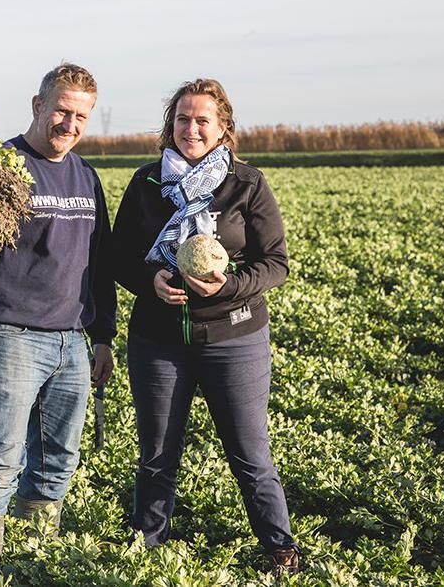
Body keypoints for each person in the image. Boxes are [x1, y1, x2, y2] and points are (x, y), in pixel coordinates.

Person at [110, 78, 301, 574]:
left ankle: (281, 548)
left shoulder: (246, 183)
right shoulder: (146, 183)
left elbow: (275, 263)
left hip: (234, 337)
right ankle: (146, 548)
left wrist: (229, 286)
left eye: (201, 120)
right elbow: (119, 257)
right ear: (169, 126)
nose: (190, 128)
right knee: (156, 453)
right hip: (158, 338)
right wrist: (150, 279)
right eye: (181, 119)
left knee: (249, 452)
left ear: (222, 130)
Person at [0, 64, 117, 581]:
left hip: (71, 340)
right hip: (6, 335)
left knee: (57, 463)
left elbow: (98, 262)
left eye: (81, 115)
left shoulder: (85, 175)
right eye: (62, 110)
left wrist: (102, 337)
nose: (70, 123)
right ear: (37, 106)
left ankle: (37, 564)